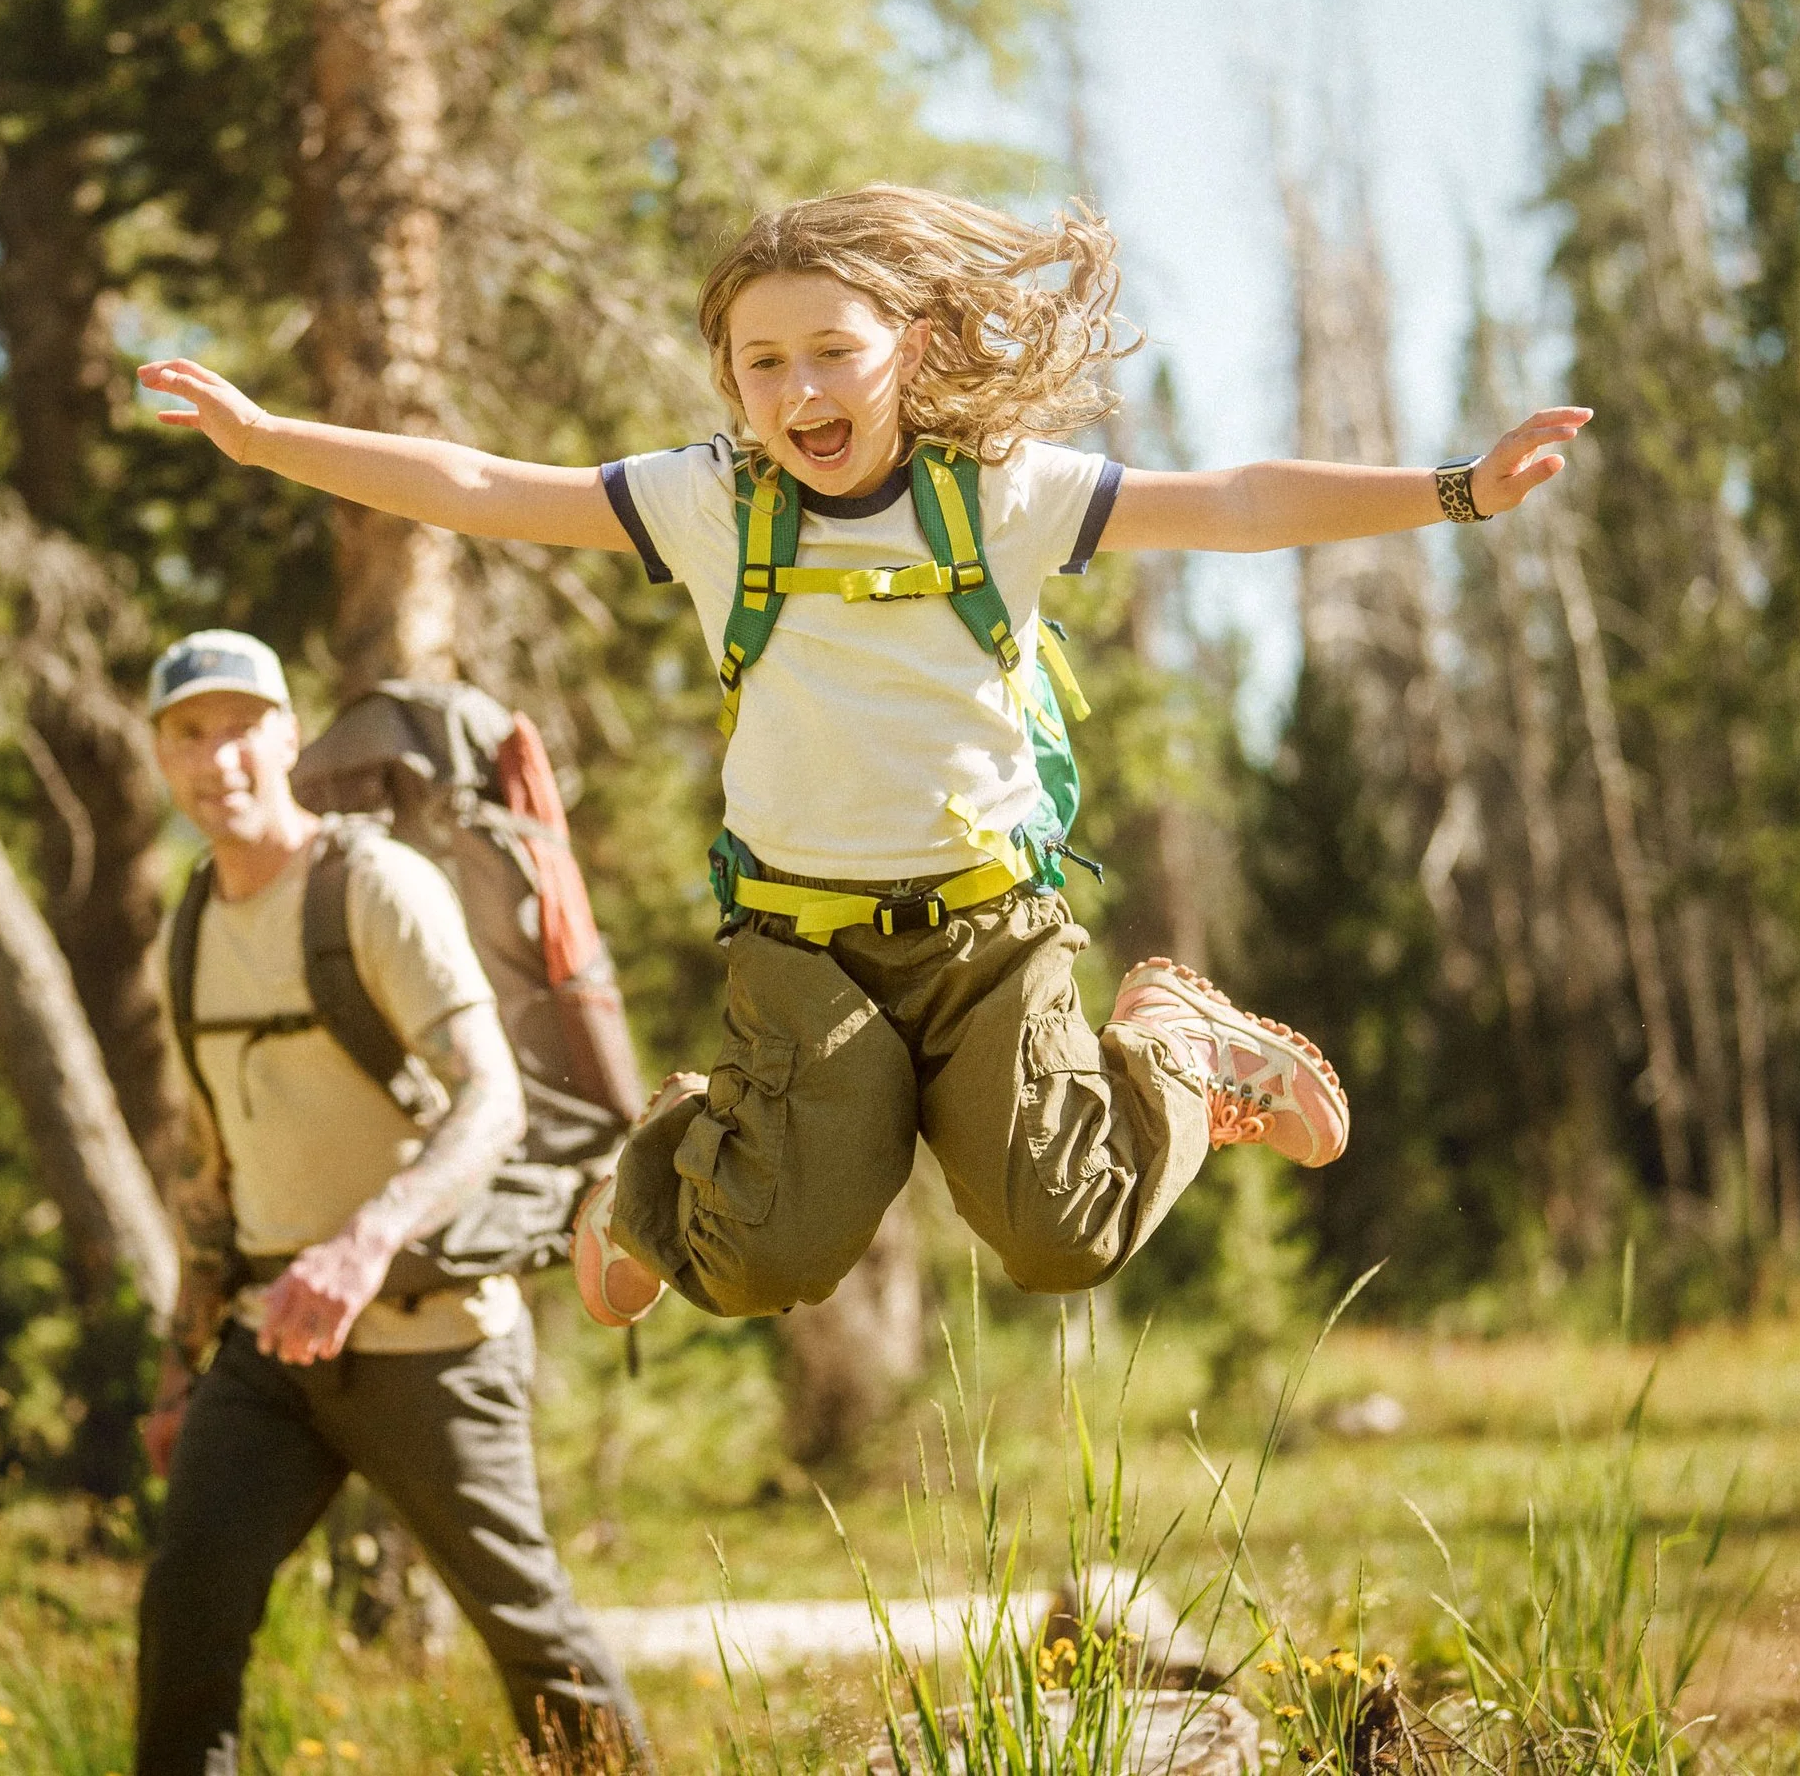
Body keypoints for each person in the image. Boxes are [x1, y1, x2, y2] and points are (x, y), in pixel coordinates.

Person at [133, 186, 1590, 1334]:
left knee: (1061, 1235)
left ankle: (1175, 1045)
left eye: (836, 348)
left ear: (918, 346)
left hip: (987, 930)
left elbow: (1239, 499)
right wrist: (271, 443)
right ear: (732, 383)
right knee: (763, 1260)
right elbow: (477, 486)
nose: (800, 388)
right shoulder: (713, 507)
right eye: (764, 362)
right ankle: (652, 1177)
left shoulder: (1003, 498)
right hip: (802, 944)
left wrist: (1457, 489)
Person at [133, 630, 646, 1775]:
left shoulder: (374, 885)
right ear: (162, 757)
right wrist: (180, 1371)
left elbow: (492, 1100)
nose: (217, 757)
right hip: (271, 1349)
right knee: (184, 1620)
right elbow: (210, 1174)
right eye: (187, 732)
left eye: (240, 726)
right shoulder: (189, 926)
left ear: (287, 735)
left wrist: (364, 1240)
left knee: (533, 1641)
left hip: (434, 1340)